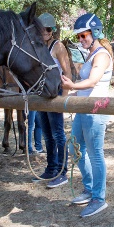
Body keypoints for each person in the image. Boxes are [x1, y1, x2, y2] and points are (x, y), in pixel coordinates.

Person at [61, 13, 113, 217]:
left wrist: (72, 85)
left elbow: (92, 81)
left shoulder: (101, 55)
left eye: (84, 35)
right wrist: (74, 91)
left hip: (96, 111)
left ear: (95, 33)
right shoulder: (91, 54)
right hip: (84, 108)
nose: (81, 39)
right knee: (75, 149)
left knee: (95, 153)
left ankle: (99, 198)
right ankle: (90, 188)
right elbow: (87, 86)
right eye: (79, 37)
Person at [34, 13, 70, 187]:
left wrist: (65, 97)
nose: (44, 32)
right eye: (41, 30)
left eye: (47, 29)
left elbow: (67, 72)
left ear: (52, 31)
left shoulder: (58, 47)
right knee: (47, 134)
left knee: (58, 133)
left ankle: (63, 171)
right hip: (42, 93)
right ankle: (51, 168)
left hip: (56, 93)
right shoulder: (38, 46)